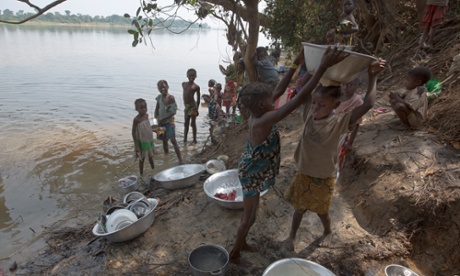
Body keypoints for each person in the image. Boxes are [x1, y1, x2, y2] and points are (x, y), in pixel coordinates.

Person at [229, 46, 349, 265]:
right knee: (247, 218)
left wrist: (295, 62)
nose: (274, 99)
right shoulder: (263, 121)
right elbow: (297, 99)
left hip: (253, 170)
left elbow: (280, 89)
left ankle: (243, 244)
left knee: (253, 215)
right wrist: (321, 67)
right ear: (260, 104)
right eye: (269, 100)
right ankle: (234, 254)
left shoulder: (260, 111)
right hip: (250, 174)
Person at [283, 57, 386, 252]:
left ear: (336, 104)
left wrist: (373, 78)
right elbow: (303, 88)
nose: (315, 107)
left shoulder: (340, 123)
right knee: (299, 209)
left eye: (321, 104)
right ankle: (291, 236)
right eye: (314, 103)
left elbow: (368, 104)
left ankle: (327, 230)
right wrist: (316, 68)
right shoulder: (308, 116)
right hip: (304, 172)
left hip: (324, 175)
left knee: (322, 211)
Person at [336, 76, 364, 173]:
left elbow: (356, 123)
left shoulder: (357, 102)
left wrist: (350, 142)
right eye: (344, 84)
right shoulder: (335, 96)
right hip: (329, 131)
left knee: (337, 157)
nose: (346, 87)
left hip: (342, 135)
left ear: (357, 85)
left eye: (350, 85)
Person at [154, 80, 184, 164]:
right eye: (160, 88)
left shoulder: (170, 98)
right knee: (164, 140)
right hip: (160, 123)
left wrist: (163, 118)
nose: (162, 89)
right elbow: (157, 109)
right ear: (158, 89)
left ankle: (180, 159)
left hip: (169, 123)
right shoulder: (159, 97)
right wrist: (156, 119)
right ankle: (166, 157)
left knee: (173, 140)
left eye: (164, 87)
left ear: (167, 86)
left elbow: (173, 112)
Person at [132, 98, 155, 177]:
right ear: (136, 109)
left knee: (151, 156)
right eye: (141, 108)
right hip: (141, 142)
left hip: (148, 139)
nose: (144, 109)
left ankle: (154, 170)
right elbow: (133, 132)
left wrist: (156, 129)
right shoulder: (136, 120)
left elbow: (149, 125)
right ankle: (141, 174)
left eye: (145, 107)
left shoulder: (147, 115)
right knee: (142, 159)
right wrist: (136, 145)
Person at [182, 68, 201, 145]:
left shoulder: (196, 87)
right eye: (190, 75)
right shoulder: (183, 84)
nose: (191, 77)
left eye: (193, 76)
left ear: (196, 76)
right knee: (186, 123)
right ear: (187, 75)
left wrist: (197, 109)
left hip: (193, 106)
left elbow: (198, 99)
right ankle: (185, 139)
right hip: (186, 106)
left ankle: (194, 140)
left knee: (193, 123)